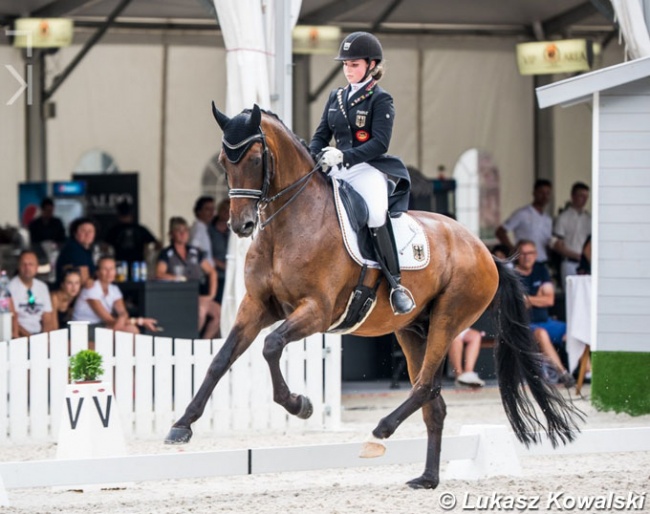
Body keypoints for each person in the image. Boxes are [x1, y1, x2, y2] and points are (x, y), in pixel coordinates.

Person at [309, 31, 414, 315]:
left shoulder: (381, 100)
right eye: (345, 65)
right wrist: (314, 155)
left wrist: (345, 155)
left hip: (366, 169)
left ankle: (396, 284)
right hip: (336, 169)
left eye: (354, 64)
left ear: (371, 65)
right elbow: (321, 135)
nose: (348, 70)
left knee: (376, 214)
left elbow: (379, 143)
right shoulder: (336, 96)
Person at [514, 240, 575, 387]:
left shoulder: (541, 270)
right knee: (541, 334)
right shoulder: (512, 274)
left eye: (530, 253)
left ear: (536, 255)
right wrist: (538, 297)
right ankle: (563, 373)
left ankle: (586, 372)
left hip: (547, 321)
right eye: (523, 253)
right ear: (516, 255)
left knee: (575, 331)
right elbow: (516, 302)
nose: (527, 257)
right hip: (525, 324)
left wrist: (529, 299)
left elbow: (549, 299)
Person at [156, 217, 221, 339]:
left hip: (198, 294)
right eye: (178, 230)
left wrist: (211, 295)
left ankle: (203, 344)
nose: (182, 233)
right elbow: (159, 273)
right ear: (171, 234)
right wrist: (176, 278)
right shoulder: (167, 253)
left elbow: (212, 272)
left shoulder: (194, 252)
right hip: (178, 296)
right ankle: (192, 341)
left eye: (185, 230)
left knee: (219, 313)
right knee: (201, 311)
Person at [72, 256, 158, 334]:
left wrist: (122, 317)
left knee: (131, 329)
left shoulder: (114, 289)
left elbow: (123, 312)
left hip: (101, 325)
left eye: (112, 268)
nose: (109, 272)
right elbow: (109, 320)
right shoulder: (91, 288)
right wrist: (140, 321)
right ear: (97, 272)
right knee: (126, 331)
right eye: (105, 269)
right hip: (83, 329)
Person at [495, 179, 553, 263]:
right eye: (541, 192)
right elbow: (500, 232)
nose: (544, 196)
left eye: (547, 193)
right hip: (525, 261)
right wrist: (513, 250)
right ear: (534, 193)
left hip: (542, 260)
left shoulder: (548, 219)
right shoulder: (522, 214)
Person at [552, 182, 591, 287]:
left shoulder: (589, 218)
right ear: (573, 196)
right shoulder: (563, 217)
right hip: (569, 263)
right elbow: (557, 244)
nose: (584, 199)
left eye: (586, 197)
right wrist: (575, 255)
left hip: (586, 265)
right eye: (581, 196)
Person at [8, 250, 55, 336]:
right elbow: (12, 321)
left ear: (37, 267)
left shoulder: (42, 287)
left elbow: (47, 318)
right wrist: (31, 339)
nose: (27, 268)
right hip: (19, 337)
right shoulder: (10, 287)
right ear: (19, 266)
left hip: (39, 335)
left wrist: (46, 338)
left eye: (31, 264)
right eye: (24, 264)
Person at [104, 200, 159, 266]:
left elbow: (105, 247)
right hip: (136, 264)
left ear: (118, 214)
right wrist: (150, 254)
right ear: (131, 214)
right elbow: (157, 244)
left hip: (123, 264)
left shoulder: (114, 229)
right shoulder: (140, 228)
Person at [55, 217, 97, 287]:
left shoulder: (86, 249)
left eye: (90, 231)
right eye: (83, 231)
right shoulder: (74, 249)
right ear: (75, 233)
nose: (87, 234)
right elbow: (85, 282)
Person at [211, 198, 230, 305]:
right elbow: (206, 253)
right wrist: (222, 265)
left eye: (228, 210)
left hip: (230, 273)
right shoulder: (210, 230)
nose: (226, 213)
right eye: (224, 210)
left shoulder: (232, 231)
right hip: (216, 275)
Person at [190, 196, 216, 266]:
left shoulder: (205, 228)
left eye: (212, 209)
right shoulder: (198, 228)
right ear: (199, 211)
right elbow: (193, 250)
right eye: (207, 209)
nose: (211, 213)